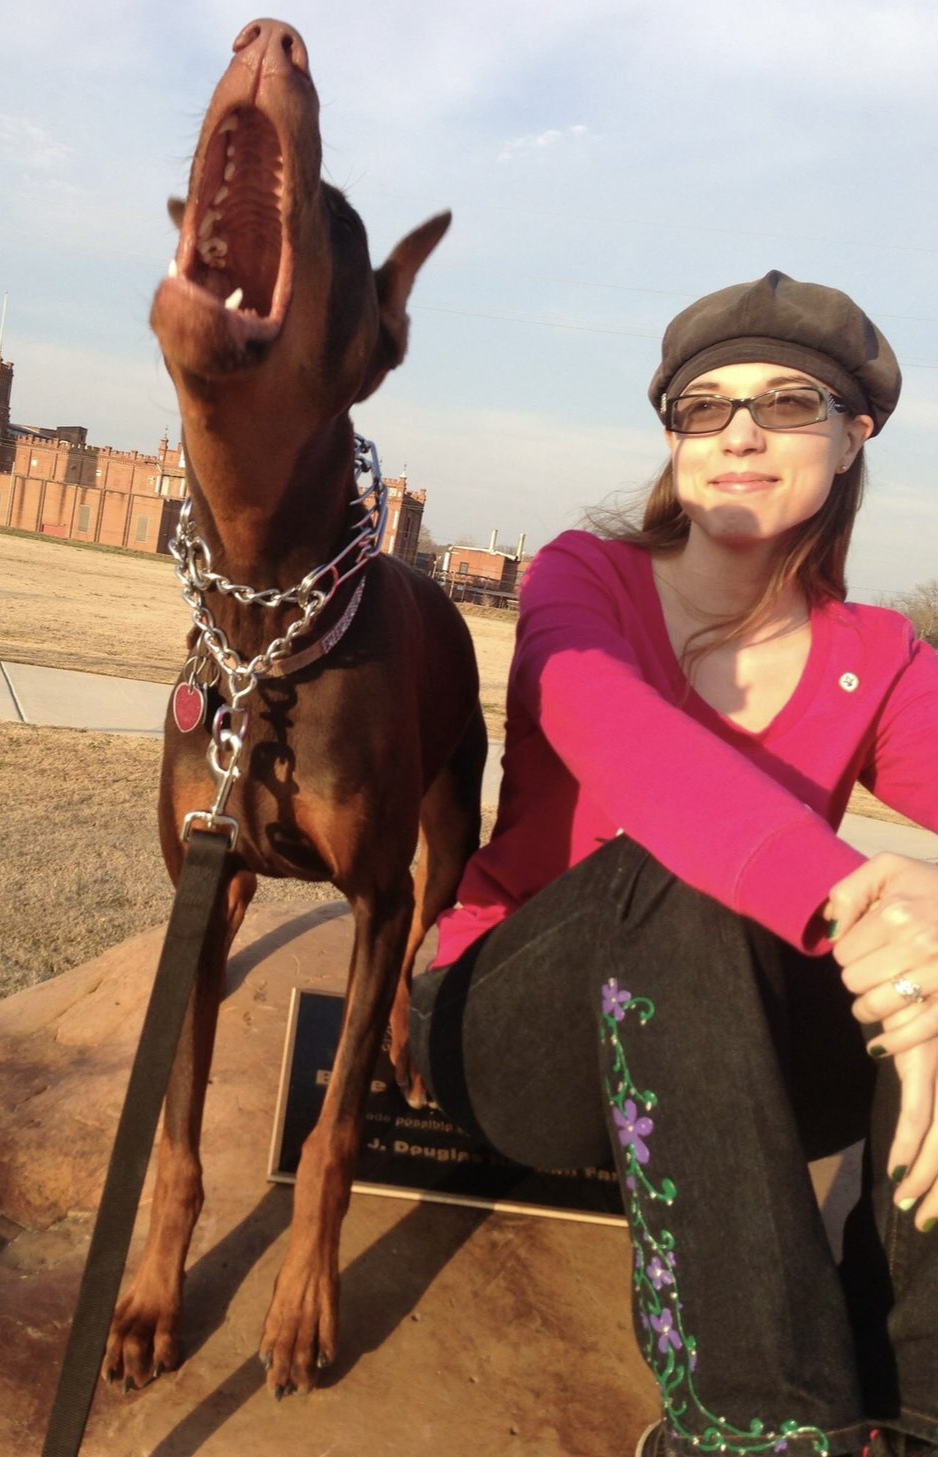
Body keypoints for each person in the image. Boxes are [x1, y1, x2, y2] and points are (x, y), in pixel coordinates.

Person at [409, 270, 938, 1457]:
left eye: (787, 402)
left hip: (745, 1047)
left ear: (853, 437)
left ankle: (917, 1407)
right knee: (678, 871)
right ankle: (755, 1424)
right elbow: (628, 750)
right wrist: (861, 897)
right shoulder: (582, 579)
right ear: (674, 441)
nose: (739, 433)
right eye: (705, 407)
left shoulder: (878, 653)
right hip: (518, 1026)